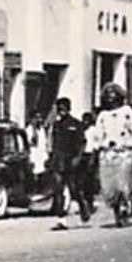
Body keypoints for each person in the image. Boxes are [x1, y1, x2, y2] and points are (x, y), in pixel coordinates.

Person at [84, 83, 132, 227]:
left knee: (123, 183)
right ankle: (116, 209)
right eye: (108, 94)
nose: (111, 97)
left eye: (113, 94)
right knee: (110, 187)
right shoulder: (102, 115)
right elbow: (98, 134)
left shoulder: (126, 112)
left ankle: (124, 207)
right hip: (108, 154)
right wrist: (94, 149)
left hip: (124, 152)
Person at [47, 98, 89, 229]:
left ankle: (83, 206)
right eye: (59, 109)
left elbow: (82, 143)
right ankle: (61, 219)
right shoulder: (56, 125)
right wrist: (50, 157)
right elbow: (53, 143)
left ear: (68, 108)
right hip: (58, 161)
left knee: (74, 189)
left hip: (71, 161)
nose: (61, 111)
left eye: (63, 108)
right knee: (58, 190)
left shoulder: (76, 124)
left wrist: (78, 158)